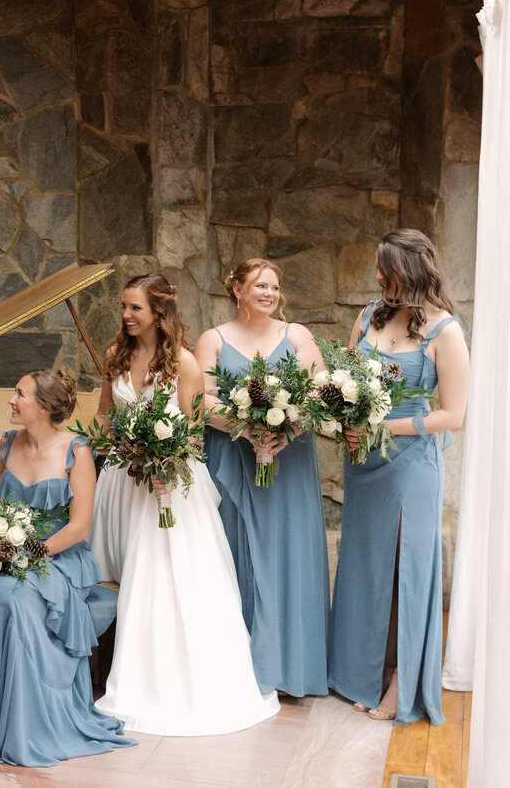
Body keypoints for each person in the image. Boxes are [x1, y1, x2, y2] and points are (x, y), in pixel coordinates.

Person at [91, 274, 279, 735]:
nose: (126, 315)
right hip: (121, 479)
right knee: (116, 574)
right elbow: (104, 417)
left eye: (135, 308)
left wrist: (163, 461)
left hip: (169, 483)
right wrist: (99, 450)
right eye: (124, 307)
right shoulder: (115, 356)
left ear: (159, 312)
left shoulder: (183, 362)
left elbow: (193, 433)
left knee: (162, 578)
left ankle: (161, 679)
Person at [0, 369, 136, 767]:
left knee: (13, 599)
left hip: (58, 557)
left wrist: (33, 553)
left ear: (45, 406)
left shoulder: (77, 451)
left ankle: (27, 724)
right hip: (11, 552)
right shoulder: (7, 444)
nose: (11, 400)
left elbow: (79, 526)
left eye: (20, 394)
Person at [329, 229, 468, 725]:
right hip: (363, 461)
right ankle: (361, 672)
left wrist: (383, 426)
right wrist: (346, 421)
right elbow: (342, 382)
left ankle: (400, 681)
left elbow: (452, 414)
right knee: (366, 567)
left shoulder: (445, 331)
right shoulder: (369, 314)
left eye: (384, 269)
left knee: (402, 568)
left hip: (411, 463)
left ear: (407, 272)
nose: (376, 277)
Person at [193, 259, 330, 698]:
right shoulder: (212, 340)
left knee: (287, 552)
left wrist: (286, 430)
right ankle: (240, 669)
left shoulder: (298, 335)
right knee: (237, 552)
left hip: (289, 462)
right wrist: (246, 426)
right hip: (232, 458)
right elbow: (199, 401)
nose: (269, 294)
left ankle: (290, 667)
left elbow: (320, 392)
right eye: (259, 286)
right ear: (237, 289)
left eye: (274, 286)